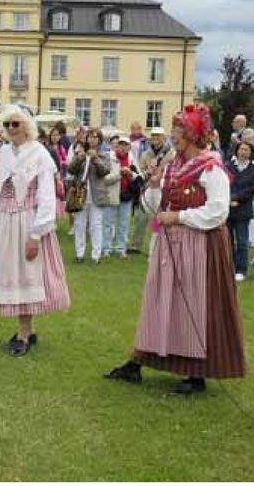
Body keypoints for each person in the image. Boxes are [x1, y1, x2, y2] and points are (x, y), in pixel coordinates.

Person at [104, 103, 245, 395]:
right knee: (158, 301)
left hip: (200, 245)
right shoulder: (172, 165)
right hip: (170, 245)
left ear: (194, 134)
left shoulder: (211, 166)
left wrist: (179, 217)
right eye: (174, 130)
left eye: (179, 130)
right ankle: (138, 361)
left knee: (193, 304)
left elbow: (218, 212)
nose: (174, 135)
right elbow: (154, 208)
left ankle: (196, 373)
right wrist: (155, 186)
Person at [0, 104, 70, 356]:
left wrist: (36, 234)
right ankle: (26, 330)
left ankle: (23, 332)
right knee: (11, 273)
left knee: (27, 273)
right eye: (7, 124)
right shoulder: (0, 155)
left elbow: (46, 197)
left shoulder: (39, 154)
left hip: (28, 220)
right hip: (4, 221)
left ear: (27, 125)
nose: (11, 129)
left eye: (16, 123)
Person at [67, 127, 117, 264]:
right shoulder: (79, 152)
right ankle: (79, 254)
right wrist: (79, 158)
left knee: (96, 225)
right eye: (90, 137)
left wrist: (95, 159)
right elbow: (70, 169)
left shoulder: (104, 155)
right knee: (79, 224)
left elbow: (105, 171)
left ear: (100, 140)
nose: (93, 139)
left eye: (96, 137)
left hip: (97, 195)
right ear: (87, 139)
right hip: (80, 194)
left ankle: (96, 255)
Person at [227, 137, 254, 281]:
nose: (243, 152)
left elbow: (251, 189)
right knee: (228, 240)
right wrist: (229, 199)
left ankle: (241, 269)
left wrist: (236, 199)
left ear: (251, 152)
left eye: (246, 149)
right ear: (236, 151)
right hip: (228, 208)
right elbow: (224, 184)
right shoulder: (228, 166)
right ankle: (228, 267)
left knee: (242, 241)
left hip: (243, 209)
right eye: (241, 149)